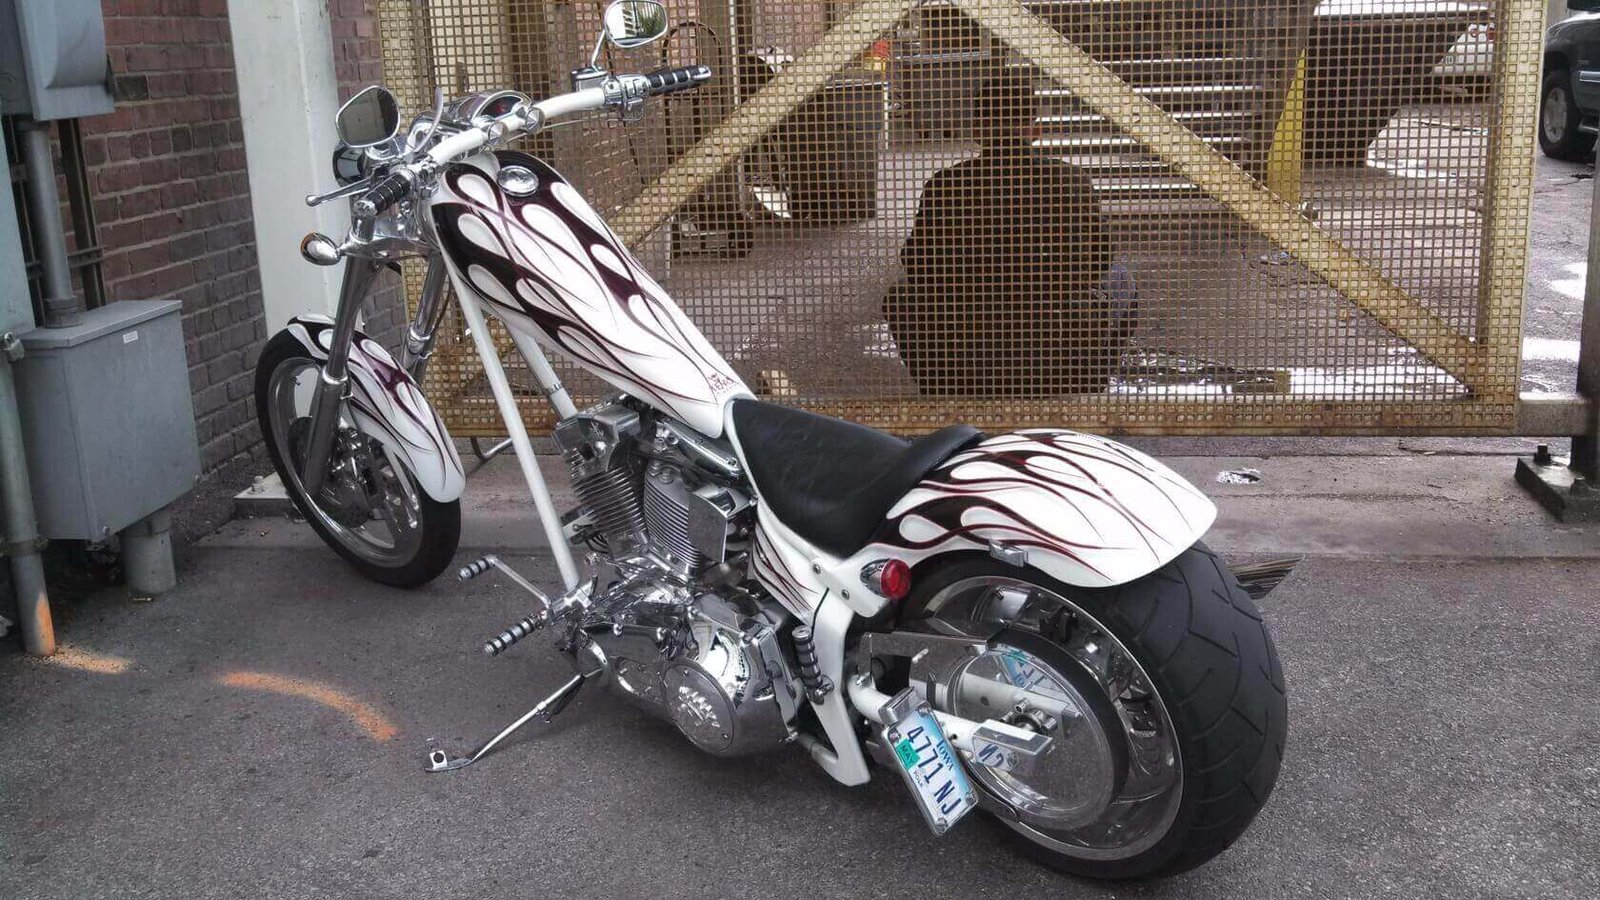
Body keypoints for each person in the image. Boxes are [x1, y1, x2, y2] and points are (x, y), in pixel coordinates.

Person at [885, 68, 1132, 395]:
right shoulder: (1070, 180)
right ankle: (1089, 376)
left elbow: (916, 262)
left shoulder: (946, 184)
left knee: (900, 296)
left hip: (968, 325)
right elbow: (1099, 257)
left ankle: (941, 383)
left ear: (976, 130)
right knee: (1121, 279)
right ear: (1035, 129)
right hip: (1052, 322)